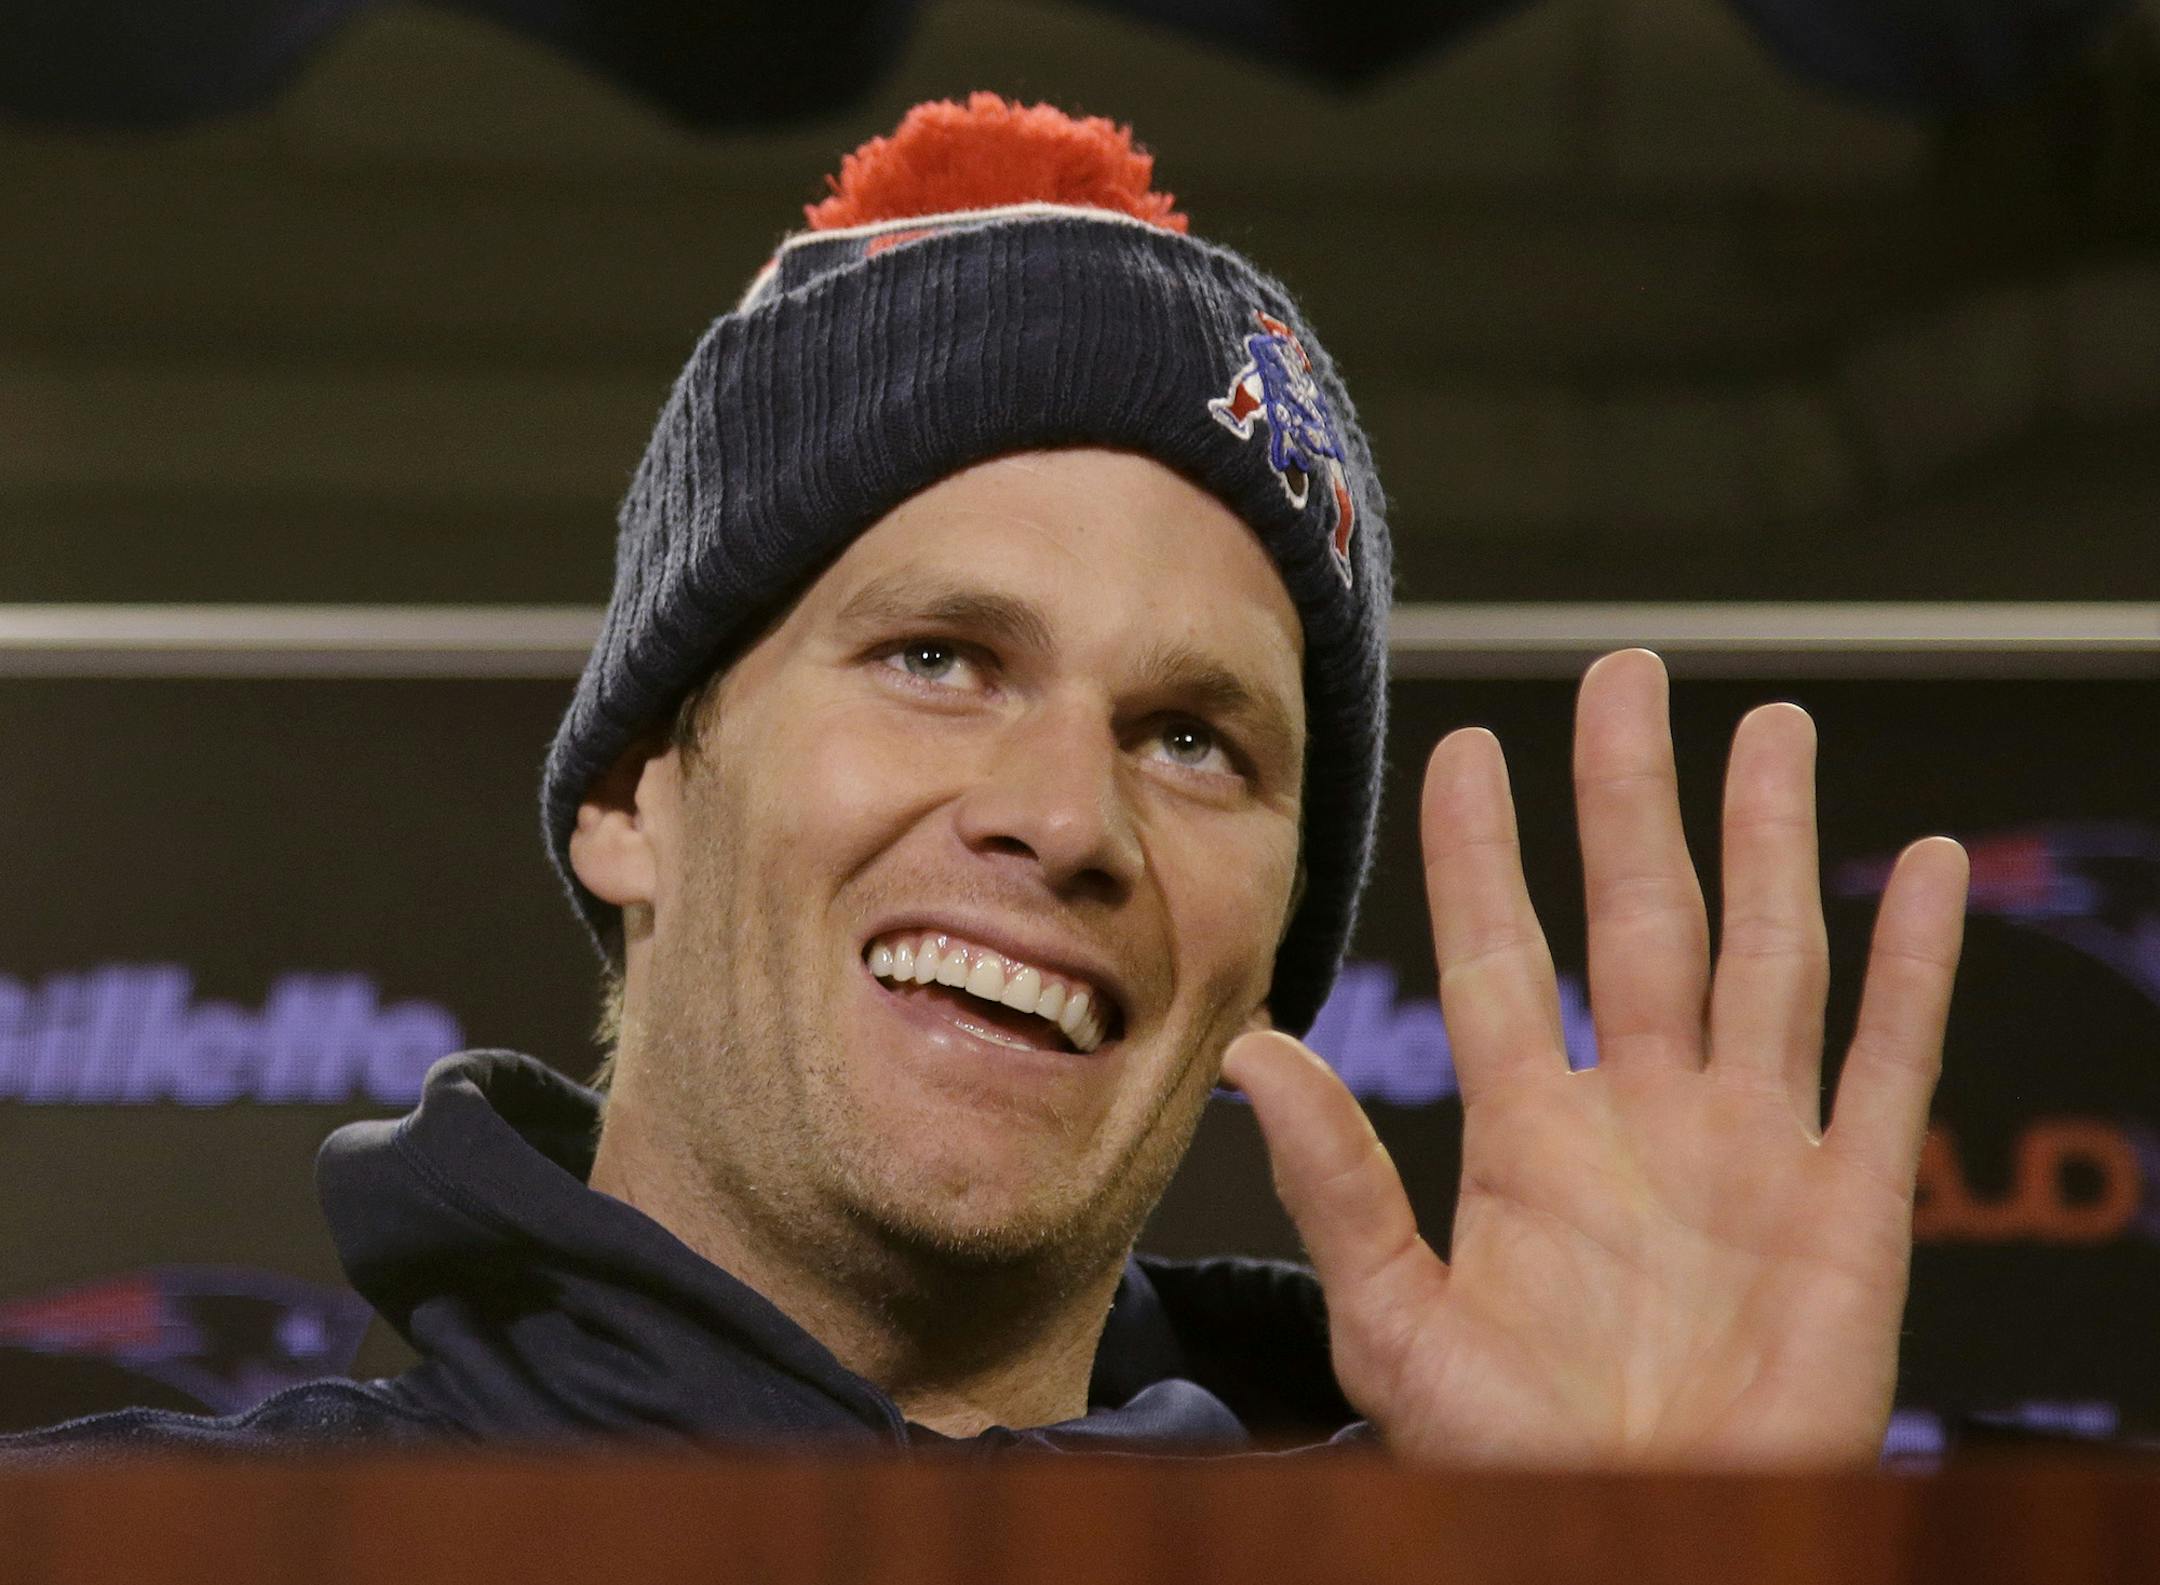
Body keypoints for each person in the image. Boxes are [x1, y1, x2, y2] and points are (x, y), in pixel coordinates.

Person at [2, 94, 1968, 1462]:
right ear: (633, 789)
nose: (1066, 817)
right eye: (938, 657)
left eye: (1196, 739)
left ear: (1265, 958)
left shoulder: (1458, 1555)